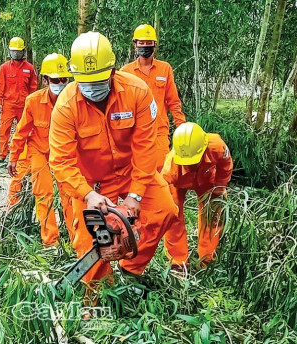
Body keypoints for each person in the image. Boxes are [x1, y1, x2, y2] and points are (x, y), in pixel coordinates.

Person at [49, 32, 178, 304]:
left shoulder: (136, 91)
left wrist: (136, 195)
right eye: (85, 81)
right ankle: (99, 297)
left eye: (98, 80)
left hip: (133, 172)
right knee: (92, 241)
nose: (92, 86)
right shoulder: (66, 106)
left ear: (112, 70)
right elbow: (61, 160)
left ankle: (132, 269)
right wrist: (87, 194)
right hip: (92, 183)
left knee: (165, 209)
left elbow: (146, 146)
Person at [8, 53, 74, 247]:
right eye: (55, 80)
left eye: (64, 80)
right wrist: (13, 157)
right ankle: (50, 241)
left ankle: (75, 240)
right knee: (44, 194)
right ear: (45, 81)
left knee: (70, 195)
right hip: (39, 151)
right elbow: (21, 132)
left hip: (65, 154)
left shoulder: (74, 101)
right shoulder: (34, 101)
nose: (60, 84)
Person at [161, 122, 233, 269]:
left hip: (207, 179)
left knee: (211, 215)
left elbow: (226, 165)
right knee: (173, 216)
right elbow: (162, 194)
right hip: (178, 182)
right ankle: (177, 263)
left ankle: (207, 260)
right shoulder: (170, 169)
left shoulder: (216, 146)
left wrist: (220, 186)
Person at [121, 24, 185, 171]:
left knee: (162, 171)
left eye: (148, 43)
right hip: (133, 132)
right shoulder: (125, 72)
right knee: (134, 172)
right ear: (135, 44)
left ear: (155, 45)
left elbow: (173, 101)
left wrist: (181, 127)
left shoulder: (165, 68)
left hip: (159, 131)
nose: (145, 46)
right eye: (141, 43)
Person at [0, 37, 38, 161]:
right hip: (8, 105)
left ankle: (23, 156)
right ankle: (2, 154)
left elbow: (33, 87)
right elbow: (0, 86)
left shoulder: (29, 68)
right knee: (4, 130)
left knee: (24, 131)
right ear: (9, 51)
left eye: (18, 51)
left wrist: (33, 104)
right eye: (14, 51)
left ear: (23, 51)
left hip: (24, 106)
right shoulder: (4, 68)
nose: (16, 53)